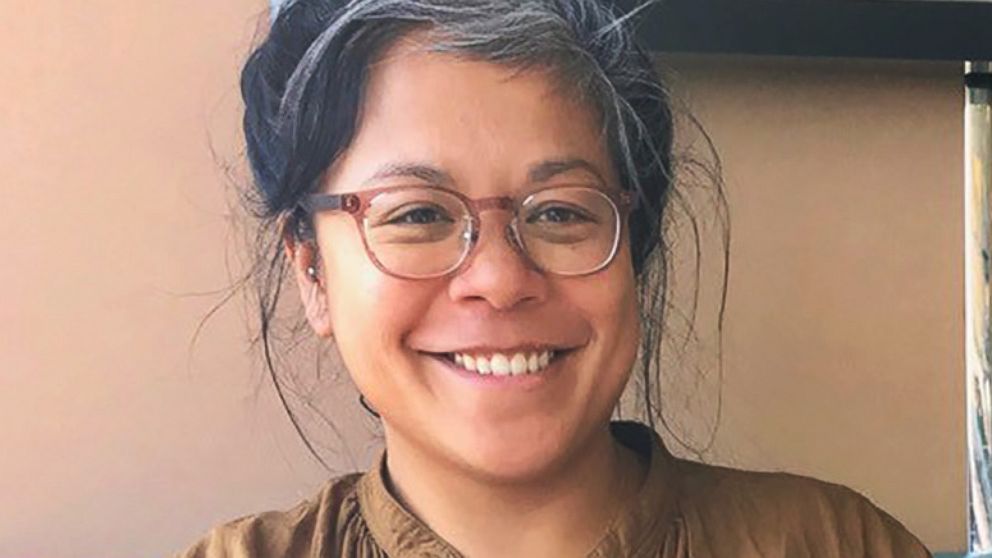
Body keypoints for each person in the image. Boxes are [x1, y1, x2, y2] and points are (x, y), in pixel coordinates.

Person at [176, 0, 933, 556]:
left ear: (632, 246)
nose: (501, 280)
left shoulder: (832, 543)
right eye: (416, 215)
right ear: (311, 270)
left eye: (562, 213)